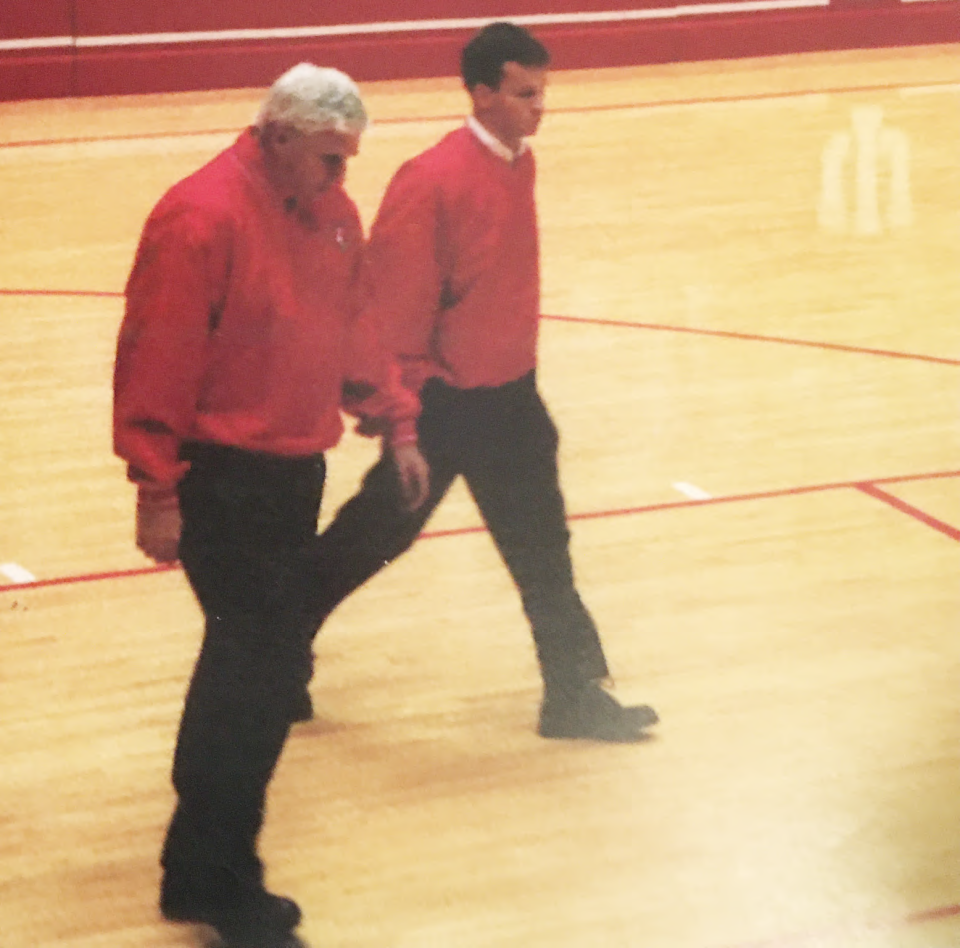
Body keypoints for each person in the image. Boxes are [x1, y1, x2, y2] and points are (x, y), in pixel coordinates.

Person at [113, 63, 429, 948]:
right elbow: (156, 358)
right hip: (223, 481)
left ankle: (198, 871)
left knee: (250, 673)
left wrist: (396, 425)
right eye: (330, 158)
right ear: (278, 137)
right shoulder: (200, 218)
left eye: (350, 161)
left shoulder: (332, 215)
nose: (343, 178)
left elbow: (355, 328)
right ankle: (222, 881)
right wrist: (156, 490)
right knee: (251, 682)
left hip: (296, 472)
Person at [305, 22, 658, 744]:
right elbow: (396, 310)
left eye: (543, 93)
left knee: (542, 549)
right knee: (372, 539)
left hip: (509, 399)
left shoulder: (517, 162)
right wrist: (403, 416)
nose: (540, 108)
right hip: (444, 406)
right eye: (526, 94)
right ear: (483, 91)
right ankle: (270, 658)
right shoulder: (431, 179)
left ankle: (573, 693)